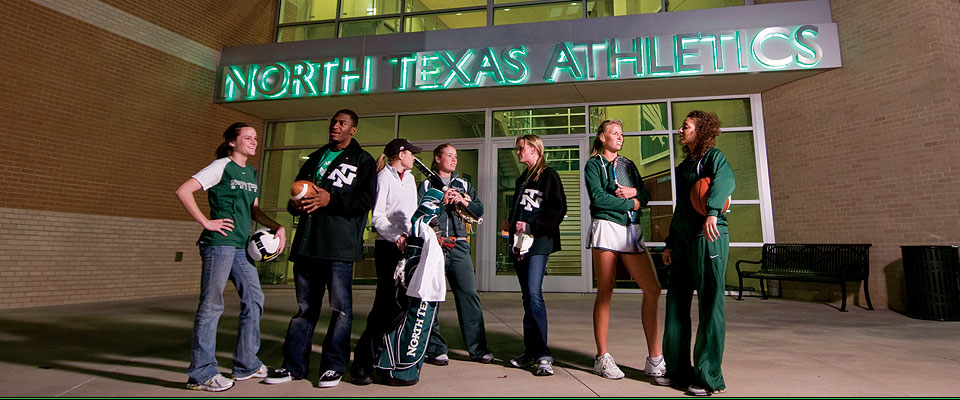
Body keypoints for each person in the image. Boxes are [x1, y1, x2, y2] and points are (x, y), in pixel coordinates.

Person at [263, 109, 377, 388]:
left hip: (338, 247)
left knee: (340, 309)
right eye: (333, 122)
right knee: (304, 309)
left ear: (353, 130)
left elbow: (366, 200)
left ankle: (333, 366)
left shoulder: (363, 160)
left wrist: (332, 200)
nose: (335, 126)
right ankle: (293, 366)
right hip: (307, 244)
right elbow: (295, 194)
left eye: (342, 123)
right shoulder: (314, 158)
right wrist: (294, 204)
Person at [176, 122, 286, 392]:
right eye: (247, 137)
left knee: (254, 298)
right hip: (219, 244)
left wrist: (277, 226)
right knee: (212, 305)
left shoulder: (250, 172)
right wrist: (208, 222)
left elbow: (254, 210)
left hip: (240, 246)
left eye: (256, 138)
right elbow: (184, 191)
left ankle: (246, 364)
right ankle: (201, 374)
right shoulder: (221, 166)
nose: (254, 141)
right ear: (232, 142)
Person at [658, 110, 735, 396]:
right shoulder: (684, 167)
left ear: (701, 131)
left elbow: (726, 182)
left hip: (709, 237)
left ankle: (708, 377)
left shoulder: (714, 158)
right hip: (683, 241)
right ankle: (677, 369)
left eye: (686, 126)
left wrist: (713, 212)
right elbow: (681, 209)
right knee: (676, 304)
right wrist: (670, 241)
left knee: (710, 305)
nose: (680, 130)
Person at [583, 119, 664, 380]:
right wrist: (632, 204)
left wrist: (633, 193)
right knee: (605, 290)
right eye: (614, 133)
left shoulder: (628, 164)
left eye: (622, 133)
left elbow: (645, 196)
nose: (620, 137)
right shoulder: (593, 164)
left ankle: (655, 359)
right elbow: (598, 198)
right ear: (602, 138)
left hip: (630, 229)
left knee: (652, 289)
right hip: (606, 227)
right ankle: (602, 357)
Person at [350, 138, 423, 386]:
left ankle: (387, 359)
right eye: (411, 153)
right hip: (388, 248)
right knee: (384, 305)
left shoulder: (410, 179)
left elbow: (411, 214)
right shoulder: (383, 178)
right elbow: (378, 217)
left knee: (400, 306)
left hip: (408, 247)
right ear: (401, 154)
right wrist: (396, 236)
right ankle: (362, 363)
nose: (414, 157)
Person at [421, 144, 495, 366]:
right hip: (435, 244)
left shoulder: (463, 184)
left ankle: (478, 348)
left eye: (456, 156)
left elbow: (479, 209)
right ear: (437, 158)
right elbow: (420, 213)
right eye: (449, 155)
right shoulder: (425, 184)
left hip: (459, 245)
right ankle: (435, 349)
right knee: (432, 296)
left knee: (469, 296)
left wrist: (462, 200)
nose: (454, 160)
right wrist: (440, 202)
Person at [501, 134, 567, 377]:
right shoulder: (523, 178)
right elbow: (525, 209)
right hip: (521, 245)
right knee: (527, 298)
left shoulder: (548, 175)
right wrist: (512, 222)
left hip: (538, 243)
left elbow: (558, 209)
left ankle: (543, 355)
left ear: (534, 150)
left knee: (533, 294)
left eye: (521, 149)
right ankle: (531, 351)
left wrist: (532, 227)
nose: (518, 153)